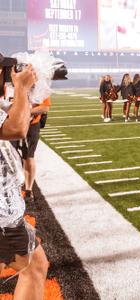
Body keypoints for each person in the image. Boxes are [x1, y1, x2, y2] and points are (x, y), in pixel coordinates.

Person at [0, 58, 49, 299]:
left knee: (35, 265)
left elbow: (16, 114)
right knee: (35, 267)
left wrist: (28, 91)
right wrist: (20, 87)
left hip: (5, 214)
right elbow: (17, 128)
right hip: (2, 219)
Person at [11, 97, 51, 202]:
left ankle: (28, 190)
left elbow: (45, 108)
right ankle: (12, 188)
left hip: (31, 125)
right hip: (10, 124)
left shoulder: (39, 87)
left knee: (28, 156)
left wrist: (25, 112)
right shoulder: (7, 83)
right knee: (9, 157)